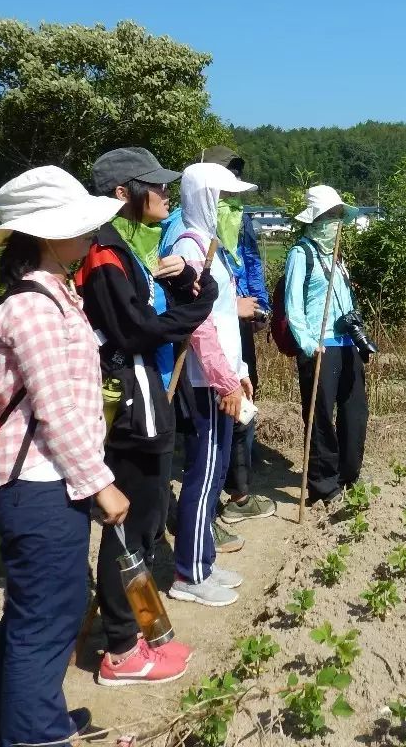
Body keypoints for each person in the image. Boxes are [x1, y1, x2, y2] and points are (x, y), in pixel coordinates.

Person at [0, 165, 128, 747]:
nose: (89, 234)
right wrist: (101, 484)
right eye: (78, 224)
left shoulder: (50, 294)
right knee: (49, 617)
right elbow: (56, 408)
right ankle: (36, 735)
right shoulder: (34, 309)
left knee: (37, 612)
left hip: (44, 482)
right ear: (45, 233)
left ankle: (27, 719)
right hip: (39, 484)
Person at [76, 147, 216, 686]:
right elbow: (135, 330)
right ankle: (120, 649)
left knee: (149, 516)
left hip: (142, 395)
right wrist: (192, 311)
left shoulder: (118, 247)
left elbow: (143, 316)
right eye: (153, 186)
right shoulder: (102, 253)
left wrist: (182, 288)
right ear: (121, 194)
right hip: (128, 401)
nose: (162, 195)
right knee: (130, 522)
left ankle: (144, 632)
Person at [162, 145, 274, 541]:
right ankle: (195, 552)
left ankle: (203, 540)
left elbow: (224, 316)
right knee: (205, 464)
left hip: (224, 371)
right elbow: (200, 325)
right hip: (203, 377)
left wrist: (240, 371)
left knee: (216, 459)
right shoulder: (188, 245)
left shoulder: (215, 246)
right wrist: (226, 378)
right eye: (225, 200)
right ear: (206, 198)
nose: (233, 209)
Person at [285, 184, 369, 505]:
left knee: (355, 411)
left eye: (338, 215)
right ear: (315, 219)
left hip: (347, 344)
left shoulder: (336, 257)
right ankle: (323, 483)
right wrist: (308, 343)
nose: (336, 221)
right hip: (320, 346)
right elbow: (294, 306)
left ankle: (350, 473)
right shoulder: (301, 254)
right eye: (330, 215)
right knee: (320, 417)